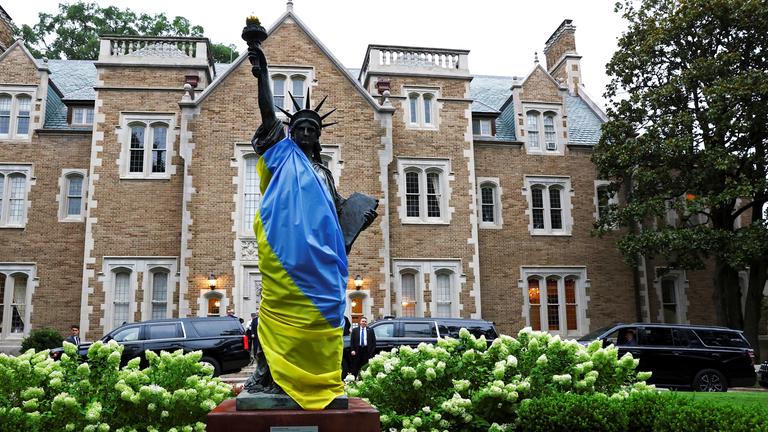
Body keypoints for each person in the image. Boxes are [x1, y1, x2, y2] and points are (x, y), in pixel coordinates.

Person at [241, 36, 377, 410]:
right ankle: (266, 376)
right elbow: (269, 115)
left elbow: (337, 215)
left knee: (325, 321)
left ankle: (322, 379)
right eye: (298, 128)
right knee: (275, 316)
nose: (303, 133)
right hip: (284, 253)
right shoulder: (282, 155)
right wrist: (262, 72)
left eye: (310, 130)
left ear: (318, 137)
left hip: (320, 263)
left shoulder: (324, 173)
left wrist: (359, 215)